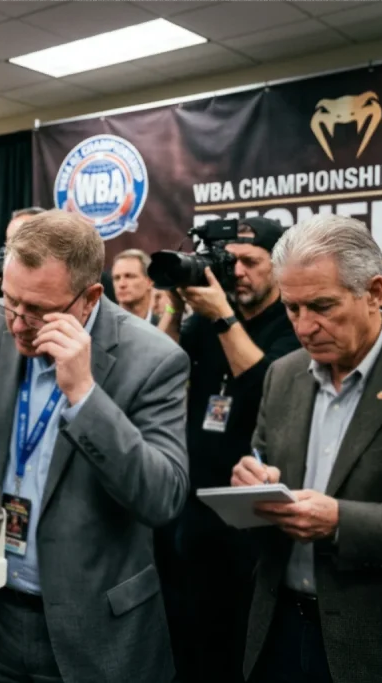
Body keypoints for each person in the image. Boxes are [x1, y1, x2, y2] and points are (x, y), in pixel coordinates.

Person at [0, 209, 189, 683]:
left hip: (95, 631)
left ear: (90, 299)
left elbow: (164, 496)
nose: (18, 324)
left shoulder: (154, 360)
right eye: (11, 301)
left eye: (39, 312)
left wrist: (86, 395)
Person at [231, 215, 382, 683]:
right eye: (292, 308)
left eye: (321, 306)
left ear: (376, 291)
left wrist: (341, 521)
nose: (304, 326)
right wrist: (249, 486)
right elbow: (262, 462)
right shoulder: (284, 375)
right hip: (277, 629)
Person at [155, 217, 301, 683]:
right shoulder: (202, 324)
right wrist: (175, 309)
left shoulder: (292, 323)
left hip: (250, 516)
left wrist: (222, 316)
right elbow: (153, 371)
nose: (237, 271)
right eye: (231, 260)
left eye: (250, 262)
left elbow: (269, 390)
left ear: (277, 267)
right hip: (192, 506)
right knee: (186, 641)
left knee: (237, 649)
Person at [111, 249, 158, 323]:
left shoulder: (166, 326)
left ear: (149, 282)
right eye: (117, 278)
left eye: (129, 276)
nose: (121, 284)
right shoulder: (102, 326)